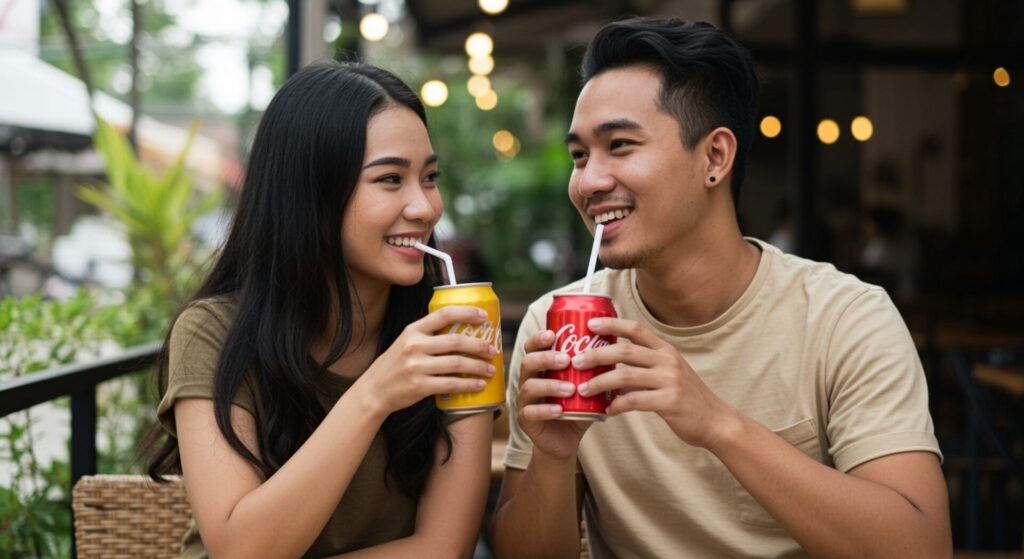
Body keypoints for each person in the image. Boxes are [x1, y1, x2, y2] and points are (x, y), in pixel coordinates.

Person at [491, 17, 951, 558]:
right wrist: (552, 459)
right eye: (579, 155)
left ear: (714, 157)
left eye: (620, 145)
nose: (589, 180)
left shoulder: (844, 320)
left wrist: (717, 425)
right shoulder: (559, 327)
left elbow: (921, 550)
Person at [145, 62, 494, 558]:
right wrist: (375, 393)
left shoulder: (451, 331)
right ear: (311, 193)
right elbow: (239, 551)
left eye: (429, 177)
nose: (424, 207)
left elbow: (444, 548)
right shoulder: (215, 333)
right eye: (390, 179)